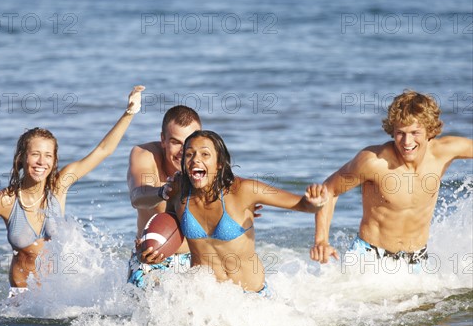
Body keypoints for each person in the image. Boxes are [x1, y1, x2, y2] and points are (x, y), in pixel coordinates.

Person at [0, 86, 145, 295]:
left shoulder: (60, 186)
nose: (41, 162)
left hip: (57, 297)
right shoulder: (5, 201)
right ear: (22, 158)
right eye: (35, 154)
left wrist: (130, 112)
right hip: (22, 297)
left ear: (54, 160)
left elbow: (103, 151)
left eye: (48, 155)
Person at [310, 90, 473, 270]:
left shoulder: (445, 151)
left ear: (430, 130)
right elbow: (329, 190)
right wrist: (321, 240)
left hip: (417, 261)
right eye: (400, 133)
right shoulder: (374, 162)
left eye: (415, 132)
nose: (406, 141)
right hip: (370, 259)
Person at [164, 130, 328, 295]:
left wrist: (315, 201)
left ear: (219, 162)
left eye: (205, 154)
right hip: (204, 299)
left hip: (250, 300)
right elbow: (169, 234)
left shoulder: (244, 190)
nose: (195, 160)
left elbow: (304, 205)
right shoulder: (178, 194)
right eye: (189, 154)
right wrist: (153, 251)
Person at [126, 105, 202, 287]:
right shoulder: (145, 155)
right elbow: (137, 196)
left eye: (190, 142)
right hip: (149, 259)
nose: (183, 151)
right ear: (163, 140)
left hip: (195, 260)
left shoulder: (208, 162)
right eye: (176, 142)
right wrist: (162, 191)